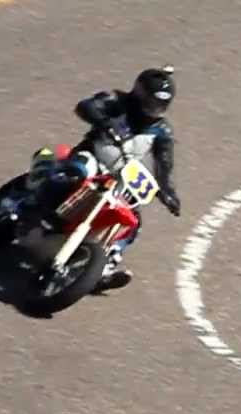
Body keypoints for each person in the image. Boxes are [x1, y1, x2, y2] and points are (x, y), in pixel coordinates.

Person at [66, 66, 183, 287]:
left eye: (160, 106)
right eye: (150, 103)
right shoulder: (116, 100)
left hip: (119, 177)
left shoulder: (162, 131)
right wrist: (102, 120)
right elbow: (85, 106)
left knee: (132, 220)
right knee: (75, 173)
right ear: (138, 93)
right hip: (93, 157)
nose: (154, 110)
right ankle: (31, 199)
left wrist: (167, 191)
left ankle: (102, 267)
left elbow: (164, 164)